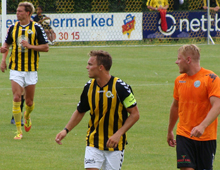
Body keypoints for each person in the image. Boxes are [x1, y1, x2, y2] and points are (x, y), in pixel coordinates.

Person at [55, 50, 140, 170]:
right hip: (93, 142)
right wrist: (66, 130)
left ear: (101, 67)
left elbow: (135, 114)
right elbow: (80, 111)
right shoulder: (89, 87)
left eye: (90, 64)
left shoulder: (120, 87)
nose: (87, 67)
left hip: (115, 145)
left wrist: (118, 134)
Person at [0, 1, 49, 140]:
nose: (17, 13)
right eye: (17, 11)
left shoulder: (36, 28)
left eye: (20, 11)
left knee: (29, 102)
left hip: (31, 69)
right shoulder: (12, 27)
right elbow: (7, 44)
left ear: (28, 13)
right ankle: (18, 131)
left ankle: (27, 115)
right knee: (16, 97)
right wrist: (3, 57)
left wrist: (30, 46)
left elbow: (45, 47)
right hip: (15, 68)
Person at [167, 44, 220, 170]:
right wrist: (170, 130)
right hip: (184, 135)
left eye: (179, 59)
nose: (176, 62)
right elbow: (175, 106)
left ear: (188, 60)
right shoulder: (179, 81)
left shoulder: (211, 79)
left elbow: (217, 106)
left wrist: (202, 126)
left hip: (206, 137)